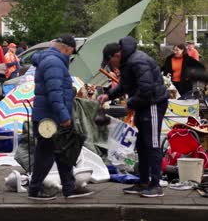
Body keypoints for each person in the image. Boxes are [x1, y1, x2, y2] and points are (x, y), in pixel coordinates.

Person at [98, 36, 169, 198]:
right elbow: (124, 85)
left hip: (153, 104)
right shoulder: (128, 62)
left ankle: (156, 185)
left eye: (110, 63)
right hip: (143, 105)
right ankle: (143, 182)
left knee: (152, 143)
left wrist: (130, 103)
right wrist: (108, 96)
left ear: (116, 55)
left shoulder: (137, 61)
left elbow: (146, 89)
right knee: (142, 144)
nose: (111, 67)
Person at [28, 34, 94, 200]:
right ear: (68, 48)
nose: (70, 57)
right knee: (45, 154)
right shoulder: (54, 63)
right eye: (72, 53)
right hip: (50, 119)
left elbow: (57, 89)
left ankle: (69, 188)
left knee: (63, 153)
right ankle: (35, 189)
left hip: (50, 116)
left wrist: (69, 91)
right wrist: (64, 116)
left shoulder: (52, 61)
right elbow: (54, 94)